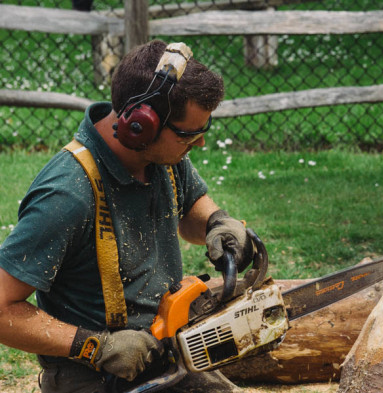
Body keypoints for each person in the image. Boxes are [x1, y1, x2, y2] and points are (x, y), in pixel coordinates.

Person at [0, 40, 252, 392]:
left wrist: (216, 222)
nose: (198, 144)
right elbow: (2, 307)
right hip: (94, 375)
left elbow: (190, 207)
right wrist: (96, 347)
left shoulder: (163, 156)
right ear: (140, 126)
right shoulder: (67, 194)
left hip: (164, 351)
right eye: (187, 135)